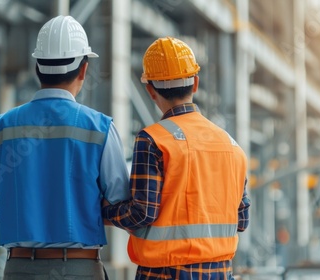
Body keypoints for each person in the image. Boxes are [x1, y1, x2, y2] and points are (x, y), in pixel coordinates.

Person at [0, 15, 129, 280]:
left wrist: (23, 205)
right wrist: (79, 205)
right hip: (80, 269)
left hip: (20, 268)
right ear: (84, 69)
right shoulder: (99, 127)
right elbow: (120, 200)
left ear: (37, 67)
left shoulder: (2, 127)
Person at [102, 36, 251, 280]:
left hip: (163, 274)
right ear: (195, 84)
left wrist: (102, 212)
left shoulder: (153, 140)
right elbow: (241, 220)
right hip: (221, 273)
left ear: (150, 90)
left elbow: (142, 213)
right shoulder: (232, 146)